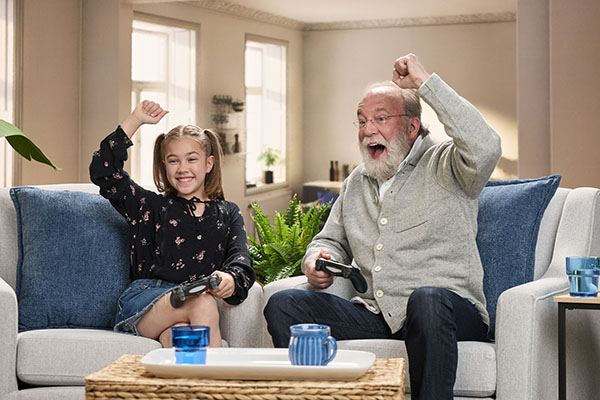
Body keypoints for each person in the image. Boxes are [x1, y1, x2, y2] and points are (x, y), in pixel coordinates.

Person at [264, 54, 501, 400]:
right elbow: (328, 239)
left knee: (427, 298)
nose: (367, 130)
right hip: (379, 315)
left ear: (411, 127)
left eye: (380, 118)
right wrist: (316, 259)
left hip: (447, 312)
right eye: (361, 121)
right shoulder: (356, 183)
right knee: (283, 304)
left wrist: (425, 84)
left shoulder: (449, 166)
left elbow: (486, 146)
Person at [90, 100, 255, 348]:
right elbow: (104, 170)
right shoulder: (148, 206)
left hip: (186, 308)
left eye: (192, 159)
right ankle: (221, 384)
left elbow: (240, 262)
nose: (183, 169)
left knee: (179, 336)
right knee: (202, 302)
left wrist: (230, 279)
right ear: (163, 165)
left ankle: (187, 387)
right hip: (145, 302)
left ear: (209, 164)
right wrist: (135, 120)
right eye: (173, 161)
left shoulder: (228, 212)